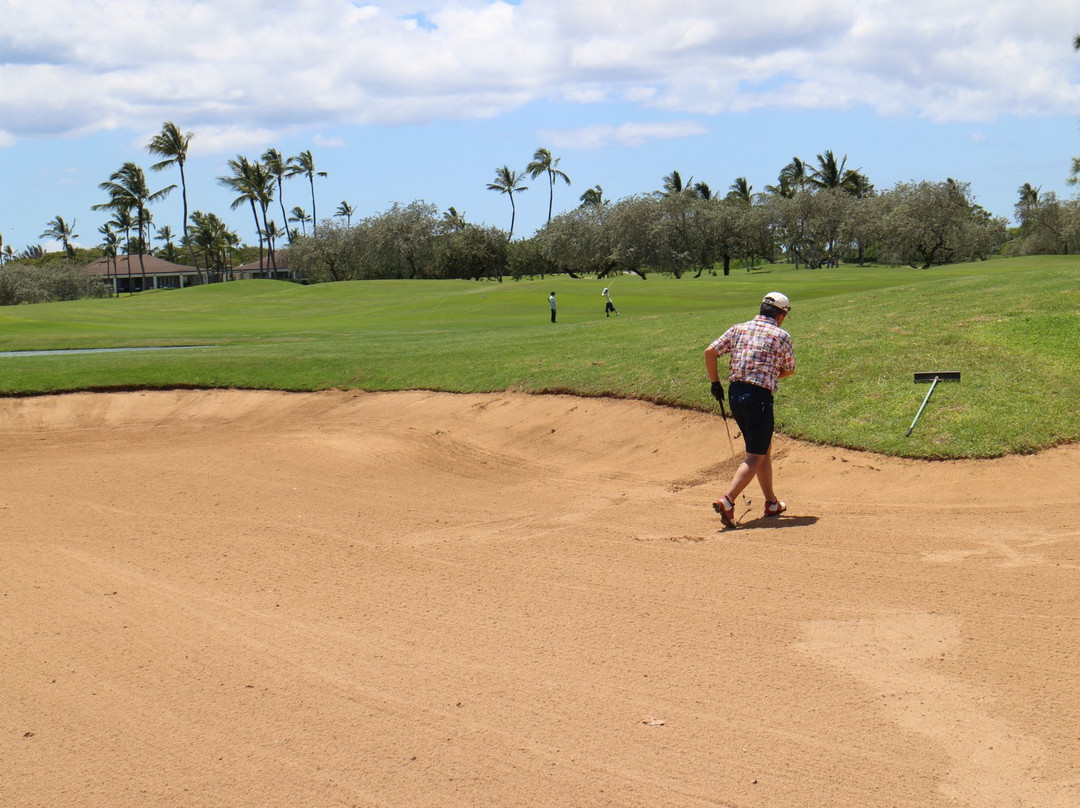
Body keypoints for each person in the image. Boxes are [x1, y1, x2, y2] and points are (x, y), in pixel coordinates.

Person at [704, 292, 796, 528]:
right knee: (755, 456)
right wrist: (770, 374)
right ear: (781, 314)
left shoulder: (738, 328)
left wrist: (715, 384)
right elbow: (789, 369)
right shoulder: (781, 335)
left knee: (762, 449)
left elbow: (710, 352)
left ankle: (771, 502)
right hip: (759, 398)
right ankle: (728, 500)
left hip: (735, 395)